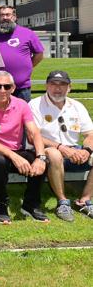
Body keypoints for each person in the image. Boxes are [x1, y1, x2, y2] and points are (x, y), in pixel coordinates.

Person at [0, 71, 49, 224]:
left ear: (13, 88)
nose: (2, 90)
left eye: (6, 86)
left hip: (17, 150)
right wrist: (14, 156)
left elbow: (34, 132)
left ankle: (31, 204)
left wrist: (41, 157)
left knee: (42, 161)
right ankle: (1, 204)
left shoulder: (21, 104)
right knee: (0, 162)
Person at [29, 70, 93, 221]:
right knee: (54, 154)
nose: (57, 88)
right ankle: (63, 202)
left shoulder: (77, 106)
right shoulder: (35, 104)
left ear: (69, 87)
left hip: (74, 150)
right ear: (47, 86)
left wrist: (86, 150)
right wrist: (61, 148)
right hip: (46, 151)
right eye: (53, 84)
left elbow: (90, 133)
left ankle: (84, 200)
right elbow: (34, 135)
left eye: (62, 84)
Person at [0, 5, 44, 102]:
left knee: (22, 115)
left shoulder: (27, 33)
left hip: (22, 88)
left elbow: (39, 53)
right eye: (2, 15)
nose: (5, 18)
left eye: (8, 15)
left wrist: (29, 66)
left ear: (14, 17)